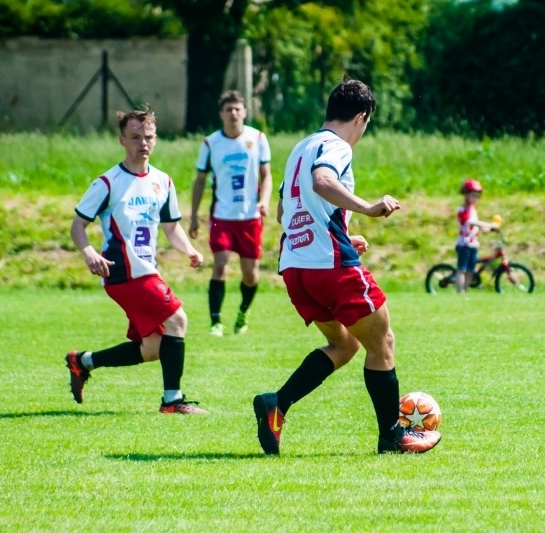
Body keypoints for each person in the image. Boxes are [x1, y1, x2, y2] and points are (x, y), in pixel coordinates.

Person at [252, 79, 441, 455]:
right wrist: (368, 208)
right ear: (361, 117)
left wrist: (336, 232)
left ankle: (277, 403)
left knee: (344, 343)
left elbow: (282, 212)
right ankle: (392, 437)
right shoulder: (335, 146)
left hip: (296, 267)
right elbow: (323, 182)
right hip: (330, 267)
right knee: (382, 342)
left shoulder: (300, 148)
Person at [65, 110, 208, 415]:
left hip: (145, 270)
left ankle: (83, 362)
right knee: (178, 320)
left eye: (149, 137)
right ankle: (172, 401)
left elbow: (171, 227)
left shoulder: (162, 181)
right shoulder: (108, 182)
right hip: (122, 271)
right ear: (122, 140)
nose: (143, 143)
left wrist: (189, 250)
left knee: (156, 346)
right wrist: (89, 251)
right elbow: (77, 225)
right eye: (135, 137)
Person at [189, 90, 273, 336]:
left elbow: (266, 176)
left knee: (250, 274)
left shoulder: (257, 138)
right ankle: (216, 322)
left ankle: (243, 312)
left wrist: (264, 200)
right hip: (222, 217)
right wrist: (194, 216)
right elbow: (200, 181)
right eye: (229, 109)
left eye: (238, 109)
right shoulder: (210, 143)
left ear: (245, 112)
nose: (234, 113)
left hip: (250, 218)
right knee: (221, 265)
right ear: (221, 114)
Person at [455, 178, 499, 293]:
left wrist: (487, 229)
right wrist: (489, 224)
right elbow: (471, 222)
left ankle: (466, 290)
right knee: (462, 269)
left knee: (470, 270)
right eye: (473, 196)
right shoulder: (463, 210)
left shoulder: (473, 210)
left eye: (477, 196)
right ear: (466, 195)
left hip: (473, 244)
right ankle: (460, 292)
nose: (476, 199)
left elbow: (476, 226)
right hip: (464, 244)